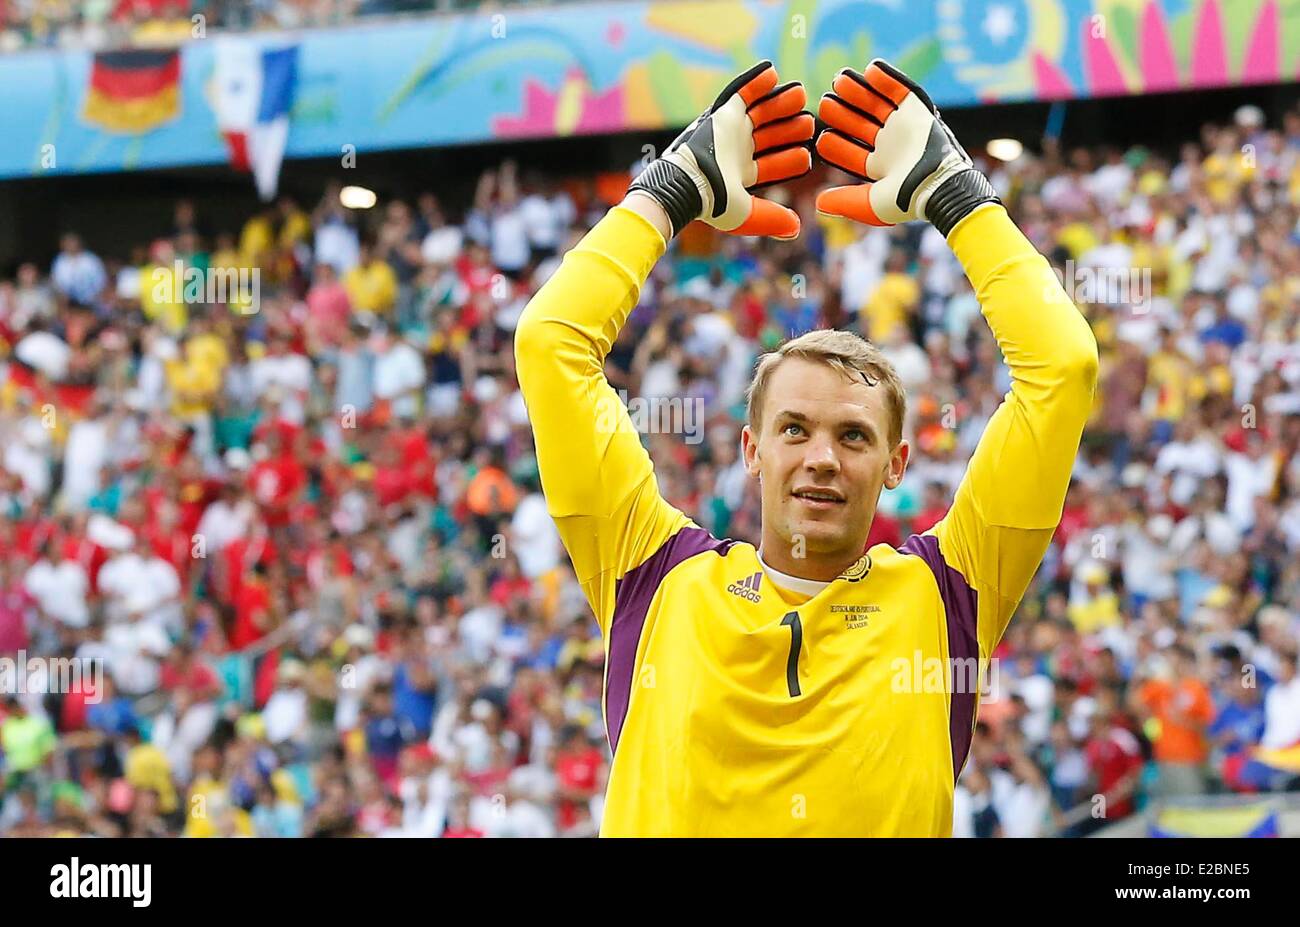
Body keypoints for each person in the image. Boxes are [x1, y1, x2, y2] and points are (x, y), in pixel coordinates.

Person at [514, 59, 1097, 835]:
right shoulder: (652, 576)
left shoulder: (950, 591)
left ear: (896, 464)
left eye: (853, 435)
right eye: (795, 429)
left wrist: (958, 197)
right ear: (751, 449)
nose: (822, 456)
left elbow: (1063, 367)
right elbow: (548, 344)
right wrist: (670, 188)